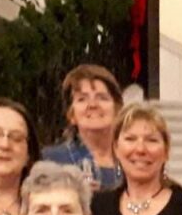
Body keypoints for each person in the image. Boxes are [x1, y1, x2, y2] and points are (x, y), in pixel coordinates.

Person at [43, 63, 124, 191]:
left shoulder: (134, 159)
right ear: (71, 115)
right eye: (82, 99)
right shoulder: (50, 161)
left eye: (102, 98)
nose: (92, 105)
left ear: (117, 109)